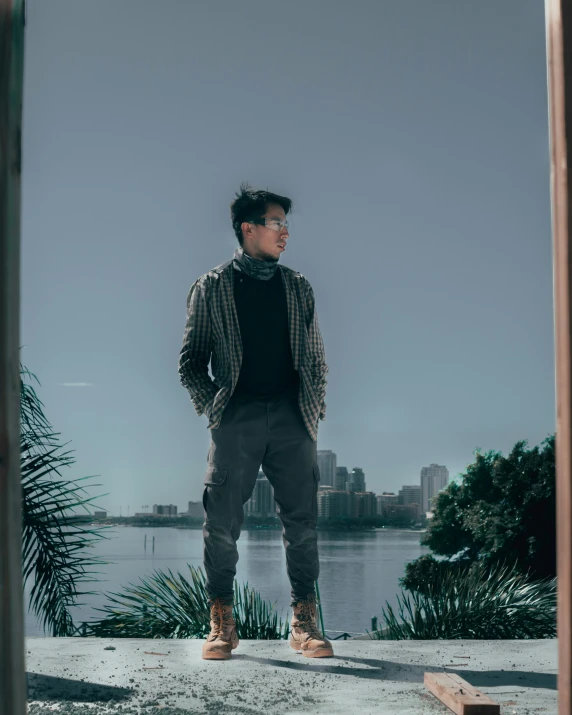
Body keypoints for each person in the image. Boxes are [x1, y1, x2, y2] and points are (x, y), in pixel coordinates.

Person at [178, 182, 333, 660]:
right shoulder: (213, 286)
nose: (285, 232)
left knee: (302, 524)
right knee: (221, 524)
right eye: (276, 223)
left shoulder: (298, 287)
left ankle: (304, 623)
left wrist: (313, 411)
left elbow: (317, 358)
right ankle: (222, 622)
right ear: (248, 229)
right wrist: (216, 412)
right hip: (236, 418)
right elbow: (190, 362)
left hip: (292, 417)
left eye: (287, 224)